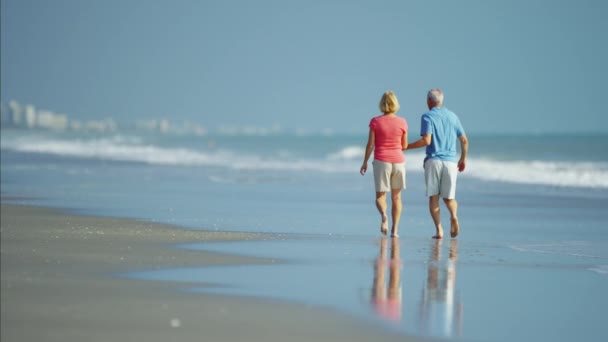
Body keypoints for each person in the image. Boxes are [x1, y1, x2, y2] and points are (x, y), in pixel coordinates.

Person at [406, 88, 468, 239]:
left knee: (434, 197)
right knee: (449, 198)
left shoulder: (427, 116)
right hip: (450, 162)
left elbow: (426, 140)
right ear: (441, 100)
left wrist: (406, 146)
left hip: (433, 161)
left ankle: (439, 230)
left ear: (428, 101)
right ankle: (454, 216)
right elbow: (464, 140)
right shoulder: (453, 116)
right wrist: (463, 159)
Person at [360, 91, 408, 237]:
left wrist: (365, 162)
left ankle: (384, 216)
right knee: (397, 198)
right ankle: (395, 230)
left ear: (382, 104)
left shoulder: (375, 121)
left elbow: (370, 145)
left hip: (382, 161)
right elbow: (404, 145)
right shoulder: (402, 122)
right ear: (396, 104)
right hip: (399, 162)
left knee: (381, 197)